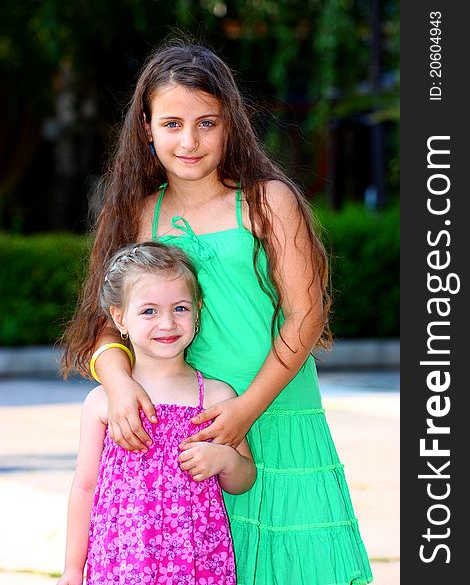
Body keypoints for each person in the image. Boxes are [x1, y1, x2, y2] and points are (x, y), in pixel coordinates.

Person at [62, 38, 373, 584]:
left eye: (207, 122)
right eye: (173, 123)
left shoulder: (268, 200)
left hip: (273, 409)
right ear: (146, 127)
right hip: (185, 433)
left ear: (231, 124)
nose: (189, 140)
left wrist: (246, 410)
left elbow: (307, 315)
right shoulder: (133, 214)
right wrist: (117, 382)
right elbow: (100, 323)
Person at [58, 241, 256, 585]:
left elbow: (245, 478)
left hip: (197, 560)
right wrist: (73, 569)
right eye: (149, 311)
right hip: (122, 556)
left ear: (198, 310)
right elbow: (85, 488)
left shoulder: (215, 396)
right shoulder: (102, 402)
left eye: (180, 308)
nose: (167, 323)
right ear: (119, 318)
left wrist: (224, 461)